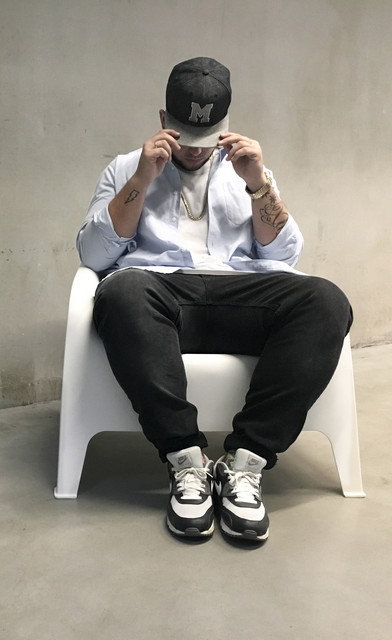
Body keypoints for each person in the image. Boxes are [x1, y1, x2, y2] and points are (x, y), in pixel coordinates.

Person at [76, 57, 353, 543]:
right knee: (121, 290)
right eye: (184, 136)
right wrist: (140, 180)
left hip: (240, 292)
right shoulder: (126, 168)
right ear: (163, 120)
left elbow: (284, 255)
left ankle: (246, 464)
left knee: (326, 300)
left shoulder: (249, 170)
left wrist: (258, 183)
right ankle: (186, 461)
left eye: (205, 138)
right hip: (161, 293)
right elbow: (94, 254)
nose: (193, 150)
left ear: (224, 125)